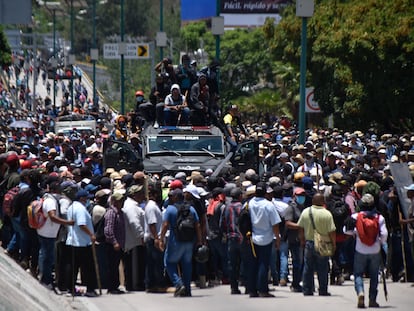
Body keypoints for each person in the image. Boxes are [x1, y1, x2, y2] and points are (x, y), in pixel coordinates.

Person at [344, 193, 388, 308]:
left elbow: (346, 230)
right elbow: (384, 234)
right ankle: (372, 300)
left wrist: (355, 233)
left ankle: (360, 292)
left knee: (358, 273)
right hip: (375, 250)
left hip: (360, 249)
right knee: (374, 275)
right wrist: (380, 243)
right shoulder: (379, 218)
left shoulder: (355, 217)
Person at [157, 188, 202, 297]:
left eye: (172, 196)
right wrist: (199, 240)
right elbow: (197, 225)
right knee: (187, 265)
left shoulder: (170, 209)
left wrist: (161, 239)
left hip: (175, 241)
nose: (171, 197)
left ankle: (178, 284)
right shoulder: (191, 209)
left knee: (169, 263)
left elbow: (165, 225)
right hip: (189, 242)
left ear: (176, 197)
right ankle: (187, 290)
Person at [37, 180, 74, 289]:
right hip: (47, 233)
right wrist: (67, 223)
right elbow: (52, 216)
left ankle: (46, 278)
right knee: (48, 258)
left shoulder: (50, 199)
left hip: (49, 232)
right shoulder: (50, 201)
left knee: (48, 256)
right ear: (55, 190)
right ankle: (46, 280)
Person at [298, 193, 336, 296]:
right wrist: (334, 244)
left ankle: (307, 289)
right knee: (323, 268)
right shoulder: (327, 214)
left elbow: (300, 227)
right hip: (323, 243)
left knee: (308, 267)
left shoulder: (306, 212)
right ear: (323, 201)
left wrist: (302, 240)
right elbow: (332, 231)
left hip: (309, 242)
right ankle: (323, 290)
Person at [247, 181, 281, 298]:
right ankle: (262, 290)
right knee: (263, 264)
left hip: (251, 238)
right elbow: (275, 224)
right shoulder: (269, 205)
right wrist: (277, 239)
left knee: (253, 264)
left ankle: (252, 290)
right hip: (266, 238)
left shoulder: (249, 203)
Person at [66, 189, 97, 297]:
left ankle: (71, 288)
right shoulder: (80, 209)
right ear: (82, 198)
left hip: (74, 241)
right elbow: (81, 224)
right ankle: (90, 289)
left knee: (73, 267)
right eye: (86, 198)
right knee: (88, 268)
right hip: (82, 243)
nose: (87, 200)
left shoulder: (72, 207)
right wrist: (91, 235)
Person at [122, 185, 145, 291]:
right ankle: (133, 285)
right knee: (133, 264)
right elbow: (134, 222)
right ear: (134, 195)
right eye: (140, 193)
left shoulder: (134, 205)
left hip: (135, 241)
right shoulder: (131, 206)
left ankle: (134, 284)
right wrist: (141, 236)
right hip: (134, 242)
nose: (143, 195)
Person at [284, 187, 306, 292]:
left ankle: (298, 282)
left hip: (302, 239)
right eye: (299, 195)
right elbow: (288, 223)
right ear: (294, 196)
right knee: (297, 262)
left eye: (303, 195)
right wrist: (300, 226)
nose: (302, 197)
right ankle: (295, 284)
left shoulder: (302, 207)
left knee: (301, 262)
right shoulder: (290, 208)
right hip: (294, 240)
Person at [104, 190, 126, 294]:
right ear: (114, 202)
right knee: (111, 267)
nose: (122, 202)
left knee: (116, 266)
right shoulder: (111, 213)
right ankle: (111, 287)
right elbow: (108, 230)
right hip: (112, 245)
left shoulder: (120, 213)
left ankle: (115, 286)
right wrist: (114, 242)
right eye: (119, 201)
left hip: (120, 244)